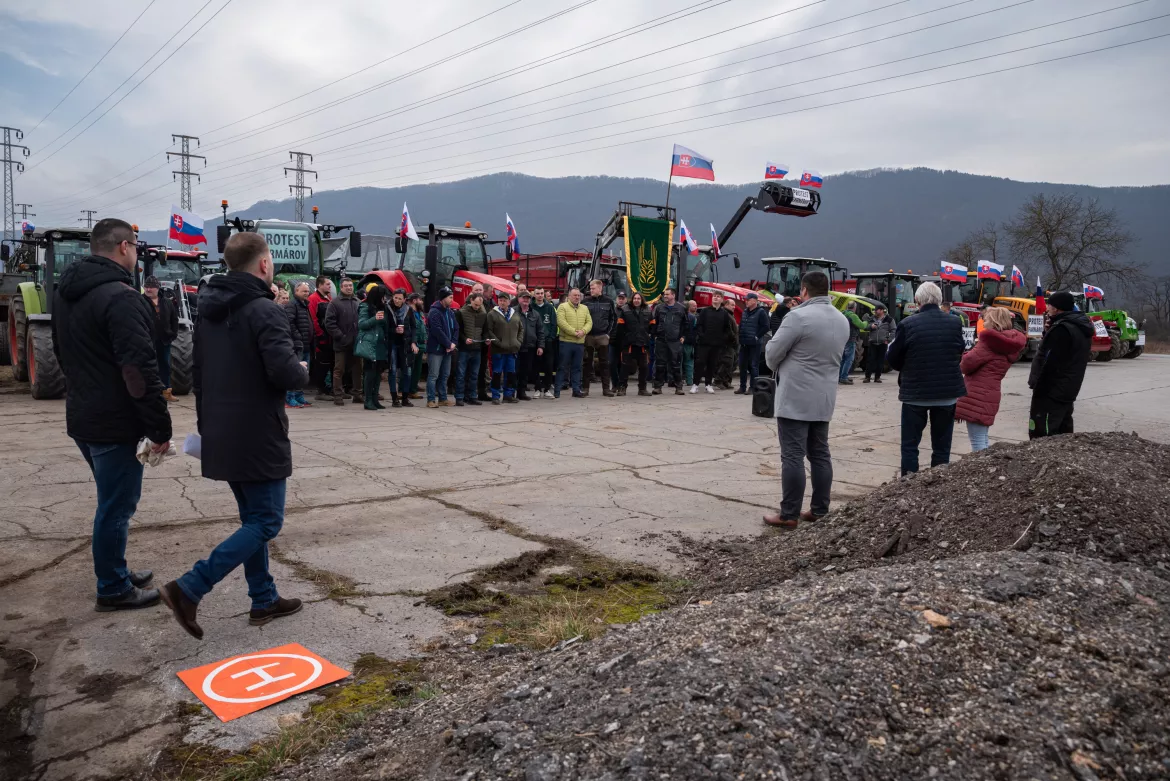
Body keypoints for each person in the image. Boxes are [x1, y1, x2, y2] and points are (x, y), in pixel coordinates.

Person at [159, 232, 309, 639]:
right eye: (272, 260)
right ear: (263, 265)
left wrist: (207, 427)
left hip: (222, 429)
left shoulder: (208, 309)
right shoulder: (264, 311)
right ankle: (190, 587)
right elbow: (284, 373)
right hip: (258, 432)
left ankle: (263, 598)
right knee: (266, 521)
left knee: (252, 518)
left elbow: (198, 376)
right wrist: (303, 367)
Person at [53, 217, 171, 611]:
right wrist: (159, 427)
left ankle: (115, 569)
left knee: (112, 502)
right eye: (136, 247)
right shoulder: (121, 298)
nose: (137, 255)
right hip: (113, 422)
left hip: (84, 415)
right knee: (116, 507)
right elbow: (139, 369)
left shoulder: (67, 293)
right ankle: (113, 587)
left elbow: (62, 353)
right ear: (124, 247)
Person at [762, 271, 850, 529]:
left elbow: (772, 355)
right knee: (820, 454)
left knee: (792, 456)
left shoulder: (798, 317)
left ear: (803, 291)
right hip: (824, 397)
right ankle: (820, 509)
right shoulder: (842, 319)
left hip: (795, 398)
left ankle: (789, 514)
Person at [886, 281, 967, 476]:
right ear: (939, 300)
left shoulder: (907, 324)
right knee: (942, 444)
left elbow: (893, 358)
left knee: (910, 444)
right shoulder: (954, 322)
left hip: (916, 392)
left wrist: (906, 368)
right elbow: (959, 351)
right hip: (947, 392)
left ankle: (909, 482)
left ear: (917, 300)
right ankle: (938, 482)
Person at [955, 307, 1026, 450]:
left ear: (994, 321)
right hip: (991, 393)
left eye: (986, 319)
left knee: (978, 441)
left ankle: (980, 470)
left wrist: (967, 353)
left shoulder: (988, 342)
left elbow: (965, 365)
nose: (983, 321)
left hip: (977, 394)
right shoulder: (1008, 344)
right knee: (982, 437)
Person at [1028, 290, 1093, 439]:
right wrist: (1048, 331)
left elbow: (1049, 362)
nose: (1047, 309)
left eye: (1049, 305)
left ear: (1056, 308)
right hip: (1068, 386)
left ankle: (1043, 458)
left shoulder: (1062, 330)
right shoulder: (1080, 326)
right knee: (1063, 430)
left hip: (1052, 390)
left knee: (1043, 431)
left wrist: (1038, 386)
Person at [325, 277, 362, 406]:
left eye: (351, 285)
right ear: (341, 287)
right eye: (346, 286)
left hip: (357, 343)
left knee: (358, 369)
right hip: (341, 343)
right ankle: (338, 396)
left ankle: (357, 394)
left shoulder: (358, 302)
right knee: (339, 370)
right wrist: (341, 336)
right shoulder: (334, 303)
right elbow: (329, 323)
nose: (349, 288)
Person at [142, 275, 179, 402]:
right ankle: (150, 392)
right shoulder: (140, 301)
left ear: (157, 288)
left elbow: (174, 319)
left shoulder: (167, 302)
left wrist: (173, 333)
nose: (148, 289)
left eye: (151, 287)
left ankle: (166, 391)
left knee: (165, 365)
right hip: (147, 340)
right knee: (148, 366)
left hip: (164, 340)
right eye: (146, 286)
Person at [486, 290, 524, 403]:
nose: (502, 302)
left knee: (510, 373)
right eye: (500, 300)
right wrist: (498, 342)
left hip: (512, 349)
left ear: (509, 302)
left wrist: (518, 342)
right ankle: (495, 395)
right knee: (497, 373)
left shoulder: (515, 313)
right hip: (498, 350)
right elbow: (489, 331)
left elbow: (521, 329)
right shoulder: (492, 314)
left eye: (505, 300)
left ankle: (508, 394)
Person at [355, 285, 389, 411]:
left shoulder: (383, 307)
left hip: (380, 344)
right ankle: (368, 399)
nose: (385, 299)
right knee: (370, 372)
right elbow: (362, 324)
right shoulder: (365, 306)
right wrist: (375, 319)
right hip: (370, 344)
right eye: (383, 296)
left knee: (378, 372)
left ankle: (375, 398)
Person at [694, 292, 733, 394]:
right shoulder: (705, 311)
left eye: (718, 296)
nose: (716, 298)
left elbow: (727, 328)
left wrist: (722, 339)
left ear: (721, 300)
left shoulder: (724, 313)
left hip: (716, 344)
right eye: (714, 296)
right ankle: (695, 384)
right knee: (700, 363)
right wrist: (702, 336)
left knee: (712, 364)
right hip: (704, 343)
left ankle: (708, 384)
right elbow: (699, 325)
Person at [555, 287, 591, 398]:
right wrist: (575, 332)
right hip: (566, 342)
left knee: (577, 367)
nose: (577, 297)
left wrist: (583, 331)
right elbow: (561, 322)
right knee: (562, 367)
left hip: (579, 343)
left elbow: (589, 322)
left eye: (578, 295)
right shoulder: (562, 307)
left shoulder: (584, 308)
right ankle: (557, 391)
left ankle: (576, 390)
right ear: (569, 296)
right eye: (574, 295)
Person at [582, 279, 616, 397]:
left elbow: (613, 318)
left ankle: (606, 389)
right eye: (590, 288)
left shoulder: (609, 301)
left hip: (603, 336)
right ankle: (585, 388)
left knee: (604, 363)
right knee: (587, 363)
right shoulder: (585, 302)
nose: (591, 290)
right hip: (589, 336)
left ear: (600, 288)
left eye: (593, 288)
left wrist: (608, 334)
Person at [426, 286, 459, 407]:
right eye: (450, 297)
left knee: (445, 375)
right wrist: (448, 343)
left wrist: (453, 343)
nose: (452, 300)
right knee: (434, 375)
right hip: (436, 349)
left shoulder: (450, 312)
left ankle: (443, 398)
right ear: (443, 298)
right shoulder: (434, 312)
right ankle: (430, 399)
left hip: (448, 349)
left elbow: (456, 328)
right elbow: (437, 331)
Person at [615, 291, 653, 396]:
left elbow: (652, 326)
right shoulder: (625, 310)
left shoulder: (648, 310)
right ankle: (622, 388)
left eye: (638, 299)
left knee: (644, 367)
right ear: (632, 299)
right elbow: (620, 328)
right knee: (625, 367)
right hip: (629, 344)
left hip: (643, 344)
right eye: (635, 298)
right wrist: (623, 341)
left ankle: (642, 389)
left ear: (642, 300)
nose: (636, 300)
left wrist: (649, 336)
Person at [454, 292, 488, 407]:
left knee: (474, 374)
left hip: (477, 348)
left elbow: (484, 330)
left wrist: (486, 339)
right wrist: (464, 339)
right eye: (475, 304)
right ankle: (459, 397)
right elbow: (458, 331)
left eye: (479, 305)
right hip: (464, 349)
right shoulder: (462, 313)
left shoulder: (483, 314)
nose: (477, 307)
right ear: (471, 300)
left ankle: (472, 396)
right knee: (461, 374)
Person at [284, 281, 313, 408]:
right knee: (295, 372)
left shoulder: (305, 305)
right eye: (304, 291)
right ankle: (289, 397)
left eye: (307, 291)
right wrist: (298, 337)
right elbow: (289, 322)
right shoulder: (292, 305)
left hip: (306, 344)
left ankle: (299, 396)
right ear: (296, 292)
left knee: (303, 373)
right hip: (297, 345)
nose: (307, 293)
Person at [652, 288, 687, 395]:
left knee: (676, 364)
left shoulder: (681, 308)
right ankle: (658, 387)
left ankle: (678, 387)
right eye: (664, 294)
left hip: (675, 341)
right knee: (660, 364)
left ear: (673, 295)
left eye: (667, 294)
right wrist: (654, 335)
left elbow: (685, 324)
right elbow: (654, 322)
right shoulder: (659, 308)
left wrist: (683, 336)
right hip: (661, 340)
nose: (665, 296)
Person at [386, 288, 416, 407]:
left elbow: (414, 327)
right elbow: (384, 326)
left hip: (405, 343)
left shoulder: (408, 309)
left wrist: (413, 341)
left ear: (404, 299)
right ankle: (394, 398)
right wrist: (394, 330)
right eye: (395, 298)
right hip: (392, 342)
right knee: (393, 371)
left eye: (399, 298)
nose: (397, 300)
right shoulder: (387, 308)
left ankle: (405, 397)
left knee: (407, 371)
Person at [736, 292, 770, 395]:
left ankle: (753, 387)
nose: (746, 301)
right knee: (742, 365)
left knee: (753, 365)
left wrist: (756, 336)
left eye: (748, 300)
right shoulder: (745, 311)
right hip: (744, 343)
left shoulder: (761, 312)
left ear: (755, 301)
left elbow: (766, 326)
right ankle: (742, 387)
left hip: (755, 344)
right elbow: (741, 325)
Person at [308, 276, 334, 400]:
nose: (330, 286)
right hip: (321, 337)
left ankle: (327, 388)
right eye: (327, 284)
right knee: (322, 364)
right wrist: (319, 335)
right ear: (320, 285)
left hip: (329, 336)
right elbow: (312, 318)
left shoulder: (328, 298)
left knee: (329, 363)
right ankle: (321, 391)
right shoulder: (313, 299)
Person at [516, 291, 544, 400]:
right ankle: (510, 394)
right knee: (514, 370)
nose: (526, 300)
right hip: (516, 346)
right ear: (519, 299)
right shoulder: (513, 311)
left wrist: (541, 346)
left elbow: (540, 331)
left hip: (530, 347)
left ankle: (521, 393)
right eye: (524, 298)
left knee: (525, 371)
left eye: (528, 298)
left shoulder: (535, 314)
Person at [532, 287, 558, 398]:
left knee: (549, 365)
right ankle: (537, 388)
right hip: (535, 341)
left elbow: (553, 323)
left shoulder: (550, 307)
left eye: (542, 293)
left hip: (548, 341)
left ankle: (547, 389)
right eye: (537, 293)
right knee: (535, 365)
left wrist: (551, 337)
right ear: (534, 295)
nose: (540, 295)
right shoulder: (531, 307)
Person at [839, 302, 871, 386]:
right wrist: (866, 321)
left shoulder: (842, 314)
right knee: (849, 359)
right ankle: (843, 377)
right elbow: (862, 326)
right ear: (854, 308)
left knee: (843, 359)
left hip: (842, 339)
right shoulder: (852, 316)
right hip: (850, 339)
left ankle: (840, 376)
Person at [863, 304, 895, 384]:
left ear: (881, 310)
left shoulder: (889, 319)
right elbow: (865, 327)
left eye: (876, 310)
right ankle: (867, 377)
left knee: (880, 361)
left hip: (883, 343)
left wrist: (888, 340)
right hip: (872, 342)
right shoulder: (871, 318)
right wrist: (871, 326)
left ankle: (877, 377)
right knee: (870, 360)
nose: (875, 312)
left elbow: (894, 330)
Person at [477, 283, 495, 401]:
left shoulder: (490, 303)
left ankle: (482, 392)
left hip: (485, 340)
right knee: (475, 369)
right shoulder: (478, 305)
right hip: (476, 340)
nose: (492, 293)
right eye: (490, 291)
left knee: (483, 367)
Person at [716, 298, 739, 389]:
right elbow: (727, 330)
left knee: (732, 362)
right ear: (726, 305)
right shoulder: (725, 315)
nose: (734, 307)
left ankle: (726, 381)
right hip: (727, 343)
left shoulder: (730, 315)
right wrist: (733, 338)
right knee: (726, 361)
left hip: (732, 343)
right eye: (732, 305)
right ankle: (718, 380)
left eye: (734, 305)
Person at [409, 293, 427, 397]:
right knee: (410, 369)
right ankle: (407, 390)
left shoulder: (420, 313)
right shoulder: (408, 312)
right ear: (415, 301)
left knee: (417, 369)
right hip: (413, 344)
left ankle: (413, 389)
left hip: (421, 344)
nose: (422, 302)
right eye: (421, 300)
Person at [610, 290, 628, 393]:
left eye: (623, 298)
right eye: (619, 298)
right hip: (613, 341)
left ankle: (622, 385)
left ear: (626, 300)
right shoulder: (612, 310)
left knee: (623, 364)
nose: (621, 300)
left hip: (624, 342)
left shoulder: (628, 311)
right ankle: (615, 384)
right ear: (616, 299)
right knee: (612, 363)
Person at [682, 300, 698, 387]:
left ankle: (678, 380)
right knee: (689, 363)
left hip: (680, 342)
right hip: (690, 343)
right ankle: (689, 381)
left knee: (679, 362)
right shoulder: (693, 317)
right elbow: (696, 330)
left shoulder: (679, 316)